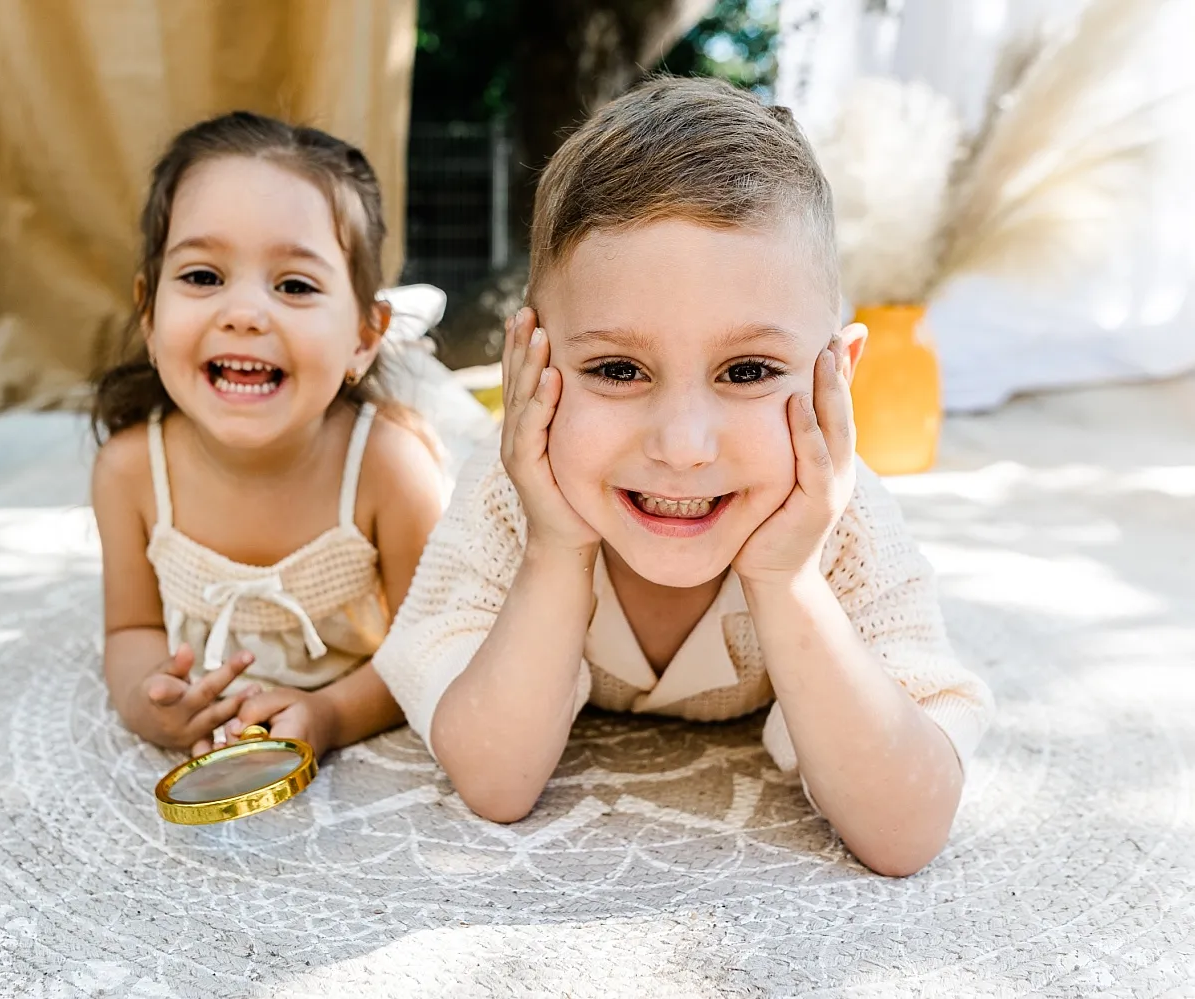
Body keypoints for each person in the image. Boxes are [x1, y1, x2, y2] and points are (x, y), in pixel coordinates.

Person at [373, 78, 994, 877]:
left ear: (835, 376)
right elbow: (494, 780)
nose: (683, 445)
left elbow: (904, 828)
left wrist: (789, 577)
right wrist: (557, 550)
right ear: (529, 361)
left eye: (746, 369)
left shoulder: (842, 520)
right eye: (620, 368)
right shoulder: (511, 495)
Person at [92, 112, 442, 763]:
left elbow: (434, 642)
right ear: (148, 310)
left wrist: (333, 712)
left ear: (364, 338)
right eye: (202, 276)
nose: (245, 314)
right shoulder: (131, 470)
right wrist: (147, 697)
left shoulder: (387, 467)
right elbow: (131, 626)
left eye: (294, 285)